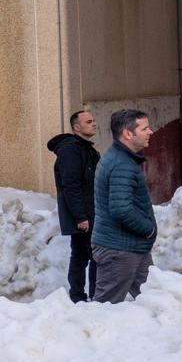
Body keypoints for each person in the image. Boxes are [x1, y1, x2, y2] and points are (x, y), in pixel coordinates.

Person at [92, 109, 157, 303]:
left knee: (155, 301)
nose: (150, 132)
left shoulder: (123, 159)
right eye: (144, 128)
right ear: (128, 134)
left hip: (132, 248)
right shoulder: (121, 164)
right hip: (119, 251)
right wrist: (148, 229)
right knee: (104, 309)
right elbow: (121, 208)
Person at [47, 110, 102, 303]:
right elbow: (71, 186)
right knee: (96, 255)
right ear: (76, 127)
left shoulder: (87, 149)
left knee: (80, 254)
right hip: (84, 215)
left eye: (94, 120)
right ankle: (97, 296)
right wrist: (81, 217)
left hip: (89, 212)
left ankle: (78, 296)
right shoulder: (71, 150)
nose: (94, 124)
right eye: (89, 121)